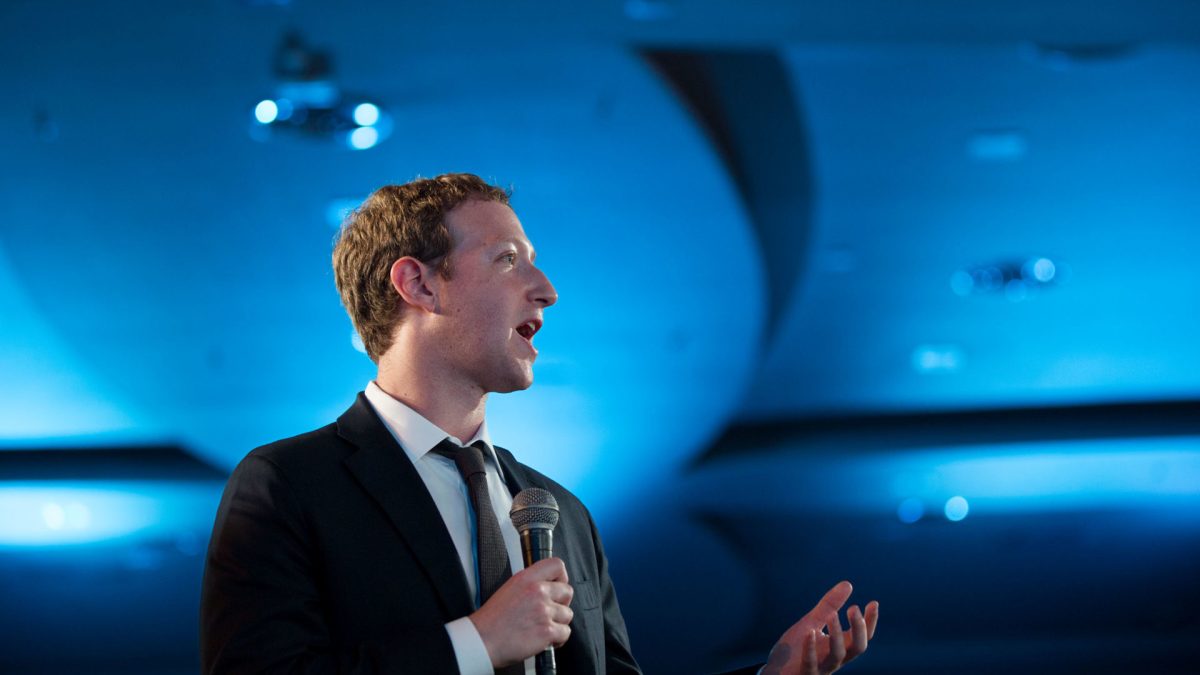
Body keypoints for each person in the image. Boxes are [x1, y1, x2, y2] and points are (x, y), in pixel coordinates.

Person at [200, 173, 879, 675]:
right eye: (507, 259)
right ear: (419, 285)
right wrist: (478, 641)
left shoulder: (561, 513)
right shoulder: (289, 484)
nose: (546, 287)